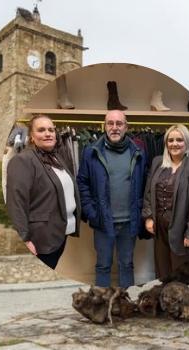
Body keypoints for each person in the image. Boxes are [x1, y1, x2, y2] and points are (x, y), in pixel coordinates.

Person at [77, 110, 147, 288]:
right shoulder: (90, 152)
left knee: (127, 265)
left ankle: (126, 306)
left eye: (119, 124)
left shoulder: (138, 152)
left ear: (126, 127)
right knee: (103, 266)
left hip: (129, 222)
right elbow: (82, 183)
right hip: (102, 222)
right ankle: (101, 306)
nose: (114, 127)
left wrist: (141, 213)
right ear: (104, 126)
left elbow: (145, 184)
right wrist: (91, 213)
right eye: (110, 123)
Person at [5, 115, 79, 269]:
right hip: (41, 238)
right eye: (41, 130)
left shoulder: (58, 158)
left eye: (51, 130)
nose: (48, 133)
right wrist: (24, 239)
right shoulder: (23, 160)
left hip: (60, 233)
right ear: (32, 136)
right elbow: (16, 202)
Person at [142, 124, 189, 282]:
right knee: (163, 273)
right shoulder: (157, 162)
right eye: (170, 140)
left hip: (183, 229)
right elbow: (148, 192)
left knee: (181, 275)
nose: (174, 144)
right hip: (159, 229)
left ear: (187, 142)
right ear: (166, 143)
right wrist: (149, 217)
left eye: (179, 140)